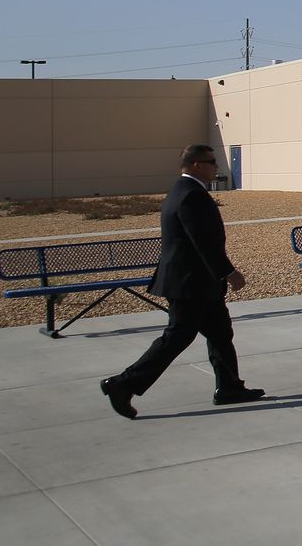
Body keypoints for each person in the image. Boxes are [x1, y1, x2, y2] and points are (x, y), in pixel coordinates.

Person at [100, 144, 264, 418]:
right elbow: (202, 242)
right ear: (197, 165)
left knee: (221, 333)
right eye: (212, 162)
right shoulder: (191, 195)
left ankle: (229, 387)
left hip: (199, 283)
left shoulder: (183, 191)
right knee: (177, 337)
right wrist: (228, 272)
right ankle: (123, 383)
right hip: (191, 284)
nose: (216, 167)